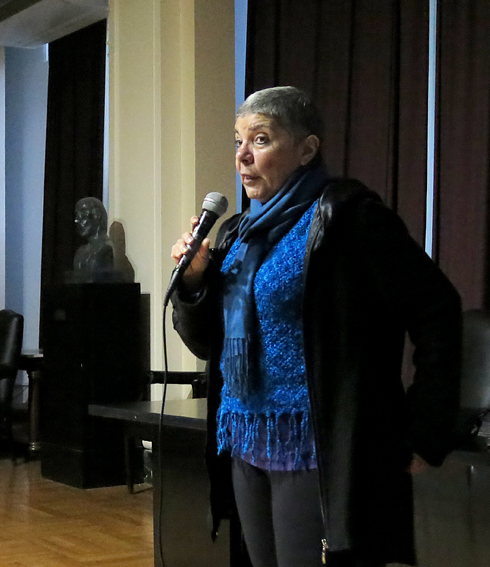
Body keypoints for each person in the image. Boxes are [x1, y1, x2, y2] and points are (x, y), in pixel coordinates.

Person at [170, 87, 461, 567]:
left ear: (307, 150)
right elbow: (207, 344)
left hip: (316, 448)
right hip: (244, 438)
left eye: (260, 140)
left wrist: (426, 428)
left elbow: (438, 309)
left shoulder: (349, 219)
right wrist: (195, 281)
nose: (242, 155)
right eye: (238, 140)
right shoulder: (237, 233)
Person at [72, 197, 115, 273]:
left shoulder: (106, 249)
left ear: (97, 215)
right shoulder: (80, 252)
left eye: (83, 214)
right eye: (77, 215)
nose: (77, 220)